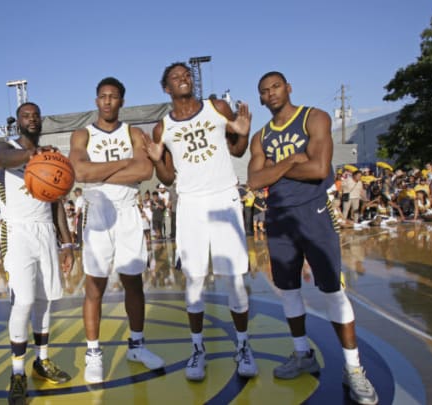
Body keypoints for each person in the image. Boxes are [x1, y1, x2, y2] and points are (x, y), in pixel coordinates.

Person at [246, 71, 378, 405]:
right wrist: (293, 159)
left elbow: (320, 169)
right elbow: (254, 180)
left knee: (333, 290)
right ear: (261, 98)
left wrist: (276, 168)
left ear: (288, 88)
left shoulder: (314, 118)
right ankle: (303, 354)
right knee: (288, 290)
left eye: (276, 86)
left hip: (314, 212)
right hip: (278, 216)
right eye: (265, 91)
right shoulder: (260, 137)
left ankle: (354, 369)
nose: (271, 93)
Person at [143, 63, 257, 381]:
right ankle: (198, 349)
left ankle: (244, 347)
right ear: (166, 88)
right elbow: (166, 177)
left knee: (234, 278)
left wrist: (244, 135)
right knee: (194, 279)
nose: (183, 79)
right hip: (190, 203)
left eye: (186, 75)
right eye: (175, 77)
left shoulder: (216, 107)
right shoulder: (162, 128)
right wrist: (155, 159)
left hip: (224, 197)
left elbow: (236, 150)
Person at [68, 77, 164, 383]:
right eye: (103, 96)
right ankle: (93, 351)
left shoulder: (134, 132)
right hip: (97, 212)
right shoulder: (82, 134)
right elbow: (81, 172)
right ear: (96, 101)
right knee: (94, 286)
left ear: (121, 101)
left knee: (133, 282)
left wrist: (101, 173)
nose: (108, 101)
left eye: (113, 97)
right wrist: (125, 164)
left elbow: (145, 170)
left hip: (127, 212)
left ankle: (136, 345)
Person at [0, 101, 74, 403]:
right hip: (17, 232)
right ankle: (17, 372)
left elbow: (57, 203)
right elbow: (1, 159)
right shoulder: (5, 145)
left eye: (36, 116)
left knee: (45, 300)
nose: (32, 120)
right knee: (23, 300)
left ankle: (41, 360)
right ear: (18, 121)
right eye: (26, 116)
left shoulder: (50, 156)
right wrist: (31, 155)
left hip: (45, 232)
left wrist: (67, 243)